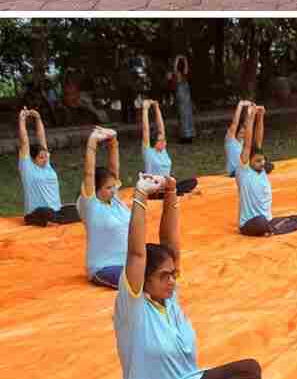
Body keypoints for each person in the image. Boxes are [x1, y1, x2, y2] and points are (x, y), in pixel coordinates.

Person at [114, 172, 270, 379]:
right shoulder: (133, 307)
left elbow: (171, 245)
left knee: (250, 370)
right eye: (164, 276)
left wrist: (171, 193)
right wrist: (140, 194)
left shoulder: (168, 298)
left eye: (173, 274)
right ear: (143, 279)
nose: (172, 281)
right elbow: (137, 253)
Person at [235, 106, 297, 236]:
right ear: (248, 161)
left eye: (263, 161)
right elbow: (248, 143)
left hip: (268, 220)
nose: (262, 164)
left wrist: (260, 116)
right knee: (261, 222)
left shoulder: (261, 171)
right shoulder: (244, 171)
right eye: (257, 161)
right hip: (249, 224)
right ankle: (271, 229)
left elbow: (259, 139)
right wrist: (250, 117)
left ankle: (271, 229)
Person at [77, 127, 131, 287]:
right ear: (95, 189)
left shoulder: (115, 200)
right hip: (103, 268)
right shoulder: (91, 205)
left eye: (114, 186)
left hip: (128, 263)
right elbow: (89, 173)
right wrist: (92, 142)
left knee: (157, 268)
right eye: (108, 188)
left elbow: (114, 169)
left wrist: (113, 141)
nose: (114, 190)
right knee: (137, 282)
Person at [17, 107, 80, 226]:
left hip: (56, 211)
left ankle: (54, 221)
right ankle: (51, 221)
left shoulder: (47, 166)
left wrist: (38, 118)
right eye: (41, 157)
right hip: (35, 214)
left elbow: (42, 138)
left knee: (79, 209)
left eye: (46, 156)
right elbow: (24, 141)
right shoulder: (27, 168)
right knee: (46, 213)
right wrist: (22, 120)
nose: (45, 159)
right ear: (32, 159)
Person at [140, 100, 197, 196]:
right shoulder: (149, 152)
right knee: (170, 188)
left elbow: (161, 127)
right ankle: (173, 193)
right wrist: (145, 109)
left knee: (192, 181)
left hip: (167, 186)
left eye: (164, 140)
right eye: (160, 141)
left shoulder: (163, 151)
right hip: (154, 189)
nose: (164, 142)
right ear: (154, 143)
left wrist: (157, 107)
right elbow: (145, 130)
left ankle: (174, 192)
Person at [225, 97, 253, 176]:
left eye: (244, 131)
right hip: (234, 172)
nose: (243, 132)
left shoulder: (243, 142)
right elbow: (235, 123)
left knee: (264, 166)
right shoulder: (230, 140)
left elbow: (247, 125)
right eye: (241, 131)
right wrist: (240, 105)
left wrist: (249, 111)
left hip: (244, 169)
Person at [172, 55, 194, 143]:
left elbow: (175, 69)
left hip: (182, 99)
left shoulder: (179, 76)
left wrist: (177, 59)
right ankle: (188, 136)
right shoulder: (184, 76)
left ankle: (185, 137)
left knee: (183, 117)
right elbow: (185, 68)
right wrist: (184, 60)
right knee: (187, 116)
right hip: (185, 99)